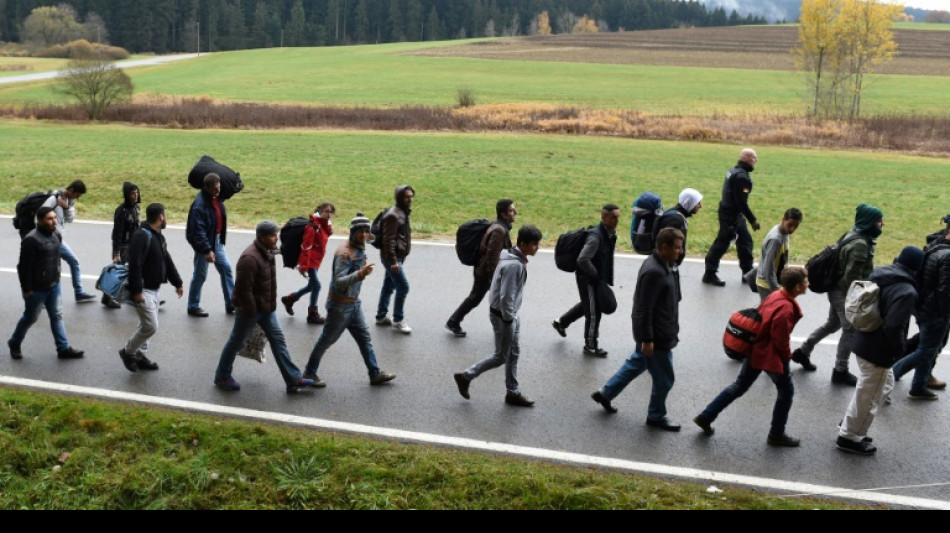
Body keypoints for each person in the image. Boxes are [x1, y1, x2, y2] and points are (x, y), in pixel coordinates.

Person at [693, 266, 809, 447]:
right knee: (786, 392)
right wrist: (787, 358)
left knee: (739, 386)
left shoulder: (775, 295)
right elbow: (780, 340)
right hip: (769, 355)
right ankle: (776, 434)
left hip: (755, 349)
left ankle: (706, 416)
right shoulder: (786, 309)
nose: (808, 283)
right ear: (797, 287)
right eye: (806, 281)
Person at [590, 228, 684, 431]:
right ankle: (656, 416)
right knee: (665, 380)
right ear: (664, 247)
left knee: (637, 363)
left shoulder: (663, 264)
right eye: (677, 248)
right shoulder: (655, 272)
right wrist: (647, 339)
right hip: (656, 337)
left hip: (656, 332)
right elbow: (643, 309)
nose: (680, 251)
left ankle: (606, 393)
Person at [836, 247, 923, 456]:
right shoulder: (906, 291)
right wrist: (900, 349)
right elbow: (894, 326)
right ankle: (849, 437)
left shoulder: (882, 274)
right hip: (878, 351)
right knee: (870, 395)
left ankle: (852, 422)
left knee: (883, 386)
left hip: (863, 339)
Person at [213, 221, 316, 394]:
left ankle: (293, 380)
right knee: (235, 342)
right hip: (250, 310)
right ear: (262, 238)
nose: (276, 238)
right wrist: (252, 312)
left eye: (276, 234)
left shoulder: (267, 250)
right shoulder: (249, 258)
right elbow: (243, 290)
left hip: (266, 309)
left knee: (278, 340)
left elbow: (280, 251)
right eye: (273, 235)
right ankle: (222, 377)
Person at [792, 203, 884, 384]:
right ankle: (840, 370)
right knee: (850, 330)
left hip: (837, 289)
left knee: (832, 324)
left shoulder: (853, 233)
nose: (882, 224)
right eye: (879, 221)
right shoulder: (860, 244)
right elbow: (852, 279)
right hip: (843, 292)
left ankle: (803, 351)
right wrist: (858, 300)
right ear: (869, 222)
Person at [453, 225, 543, 407]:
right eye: (534, 244)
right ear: (523, 244)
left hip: (509, 314)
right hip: (504, 316)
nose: (537, 248)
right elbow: (506, 296)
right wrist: (509, 319)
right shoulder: (513, 265)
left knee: (513, 353)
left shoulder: (512, 256)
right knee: (501, 356)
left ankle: (512, 392)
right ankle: (466, 376)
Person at [305, 214, 397, 387]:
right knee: (326, 341)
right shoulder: (345, 253)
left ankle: (374, 373)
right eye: (360, 231)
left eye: (366, 231)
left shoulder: (359, 247)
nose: (364, 235)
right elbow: (339, 281)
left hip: (354, 303)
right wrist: (360, 274)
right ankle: (309, 373)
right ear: (353, 232)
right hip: (340, 306)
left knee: (364, 338)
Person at [8, 207, 84, 361]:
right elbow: (23, 267)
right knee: (30, 318)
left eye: (55, 218)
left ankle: (63, 348)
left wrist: (57, 277)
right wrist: (27, 289)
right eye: (50, 219)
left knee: (57, 316)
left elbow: (57, 258)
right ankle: (14, 342)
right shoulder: (31, 240)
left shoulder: (56, 235)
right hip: (36, 289)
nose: (54, 221)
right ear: (40, 220)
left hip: (54, 285)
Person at [118, 204, 184, 373]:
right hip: (144, 290)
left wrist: (177, 282)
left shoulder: (158, 236)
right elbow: (135, 265)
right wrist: (137, 290)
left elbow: (167, 260)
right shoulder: (141, 236)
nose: (166, 218)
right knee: (151, 326)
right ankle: (128, 352)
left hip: (155, 289)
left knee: (145, 325)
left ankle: (140, 355)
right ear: (161, 216)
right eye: (165, 215)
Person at [891, 221, 950, 400]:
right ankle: (889, 376)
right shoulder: (948, 256)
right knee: (926, 351)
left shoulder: (935, 246)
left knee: (929, 348)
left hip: (924, 307)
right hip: (936, 312)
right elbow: (945, 291)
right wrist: (945, 313)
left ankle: (918, 386)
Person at [552, 204, 620, 357]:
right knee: (594, 312)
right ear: (603, 217)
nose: (616, 220)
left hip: (595, 278)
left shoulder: (608, 233)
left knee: (589, 305)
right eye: (613, 217)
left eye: (618, 217)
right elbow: (582, 259)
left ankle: (561, 322)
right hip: (587, 279)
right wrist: (595, 274)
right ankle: (590, 346)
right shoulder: (595, 237)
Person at [446, 199, 518, 338]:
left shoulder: (500, 227)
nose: (515, 212)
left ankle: (454, 321)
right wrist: (495, 278)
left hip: (485, 271)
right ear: (503, 215)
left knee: (493, 299)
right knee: (480, 298)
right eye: (511, 210)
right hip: (486, 273)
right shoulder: (499, 231)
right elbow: (492, 257)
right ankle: (453, 322)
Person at [703, 149, 760, 287]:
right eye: (754, 158)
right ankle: (709, 273)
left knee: (745, 241)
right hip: (730, 215)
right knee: (722, 243)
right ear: (746, 158)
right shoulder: (742, 177)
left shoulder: (733, 171)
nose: (756, 161)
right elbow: (741, 202)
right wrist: (753, 220)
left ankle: (747, 273)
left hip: (733, 213)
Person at [186, 173, 235, 318]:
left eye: (219, 187)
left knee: (226, 269)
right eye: (215, 189)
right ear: (206, 188)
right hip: (205, 244)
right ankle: (193, 306)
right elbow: (198, 231)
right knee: (200, 275)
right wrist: (207, 250)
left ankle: (232, 303)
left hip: (217, 241)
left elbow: (228, 192)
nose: (218, 191)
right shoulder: (199, 206)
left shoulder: (216, 197)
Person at [42, 180, 95, 303]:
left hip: (58, 239)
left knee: (68, 263)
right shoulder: (53, 199)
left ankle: (78, 293)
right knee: (51, 268)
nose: (78, 197)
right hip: (49, 239)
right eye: (77, 194)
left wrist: (66, 207)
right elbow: (40, 216)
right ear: (71, 190)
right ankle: (44, 298)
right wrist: (47, 235)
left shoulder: (68, 201)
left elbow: (70, 219)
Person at [282, 202, 335, 325]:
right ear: (320, 211)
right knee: (317, 286)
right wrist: (304, 266)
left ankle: (290, 299)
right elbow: (306, 247)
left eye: (331, 212)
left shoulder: (324, 225)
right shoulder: (312, 227)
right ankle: (312, 314)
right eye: (326, 211)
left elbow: (324, 236)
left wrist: (329, 228)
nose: (329, 214)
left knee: (311, 286)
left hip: (316, 261)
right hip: (310, 261)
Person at [376, 185, 415, 334]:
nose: (410, 199)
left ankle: (381, 316)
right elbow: (388, 240)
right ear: (399, 197)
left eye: (411, 196)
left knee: (388, 285)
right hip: (392, 257)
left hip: (398, 256)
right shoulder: (393, 215)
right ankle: (398, 319)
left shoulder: (403, 212)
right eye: (406, 197)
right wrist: (393, 262)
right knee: (403, 287)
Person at [745, 208, 803, 302]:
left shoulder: (784, 232)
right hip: (767, 285)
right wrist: (776, 289)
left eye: (796, 226)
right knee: (771, 309)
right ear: (783, 220)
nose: (792, 229)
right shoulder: (775, 240)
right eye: (790, 225)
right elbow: (768, 267)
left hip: (775, 280)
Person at [104, 181, 141, 309]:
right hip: (123, 246)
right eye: (132, 193)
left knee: (136, 270)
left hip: (134, 244)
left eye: (136, 192)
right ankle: (107, 298)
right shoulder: (121, 211)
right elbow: (117, 233)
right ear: (127, 195)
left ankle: (135, 295)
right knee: (117, 273)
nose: (135, 195)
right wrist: (116, 252)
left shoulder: (136, 208)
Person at [652, 188, 703, 266]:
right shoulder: (677, 220)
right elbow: (670, 247)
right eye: (698, 203)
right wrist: (672, 265)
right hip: (667, 264)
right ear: (689, 202)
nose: (700, 206)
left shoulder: (672, 213)